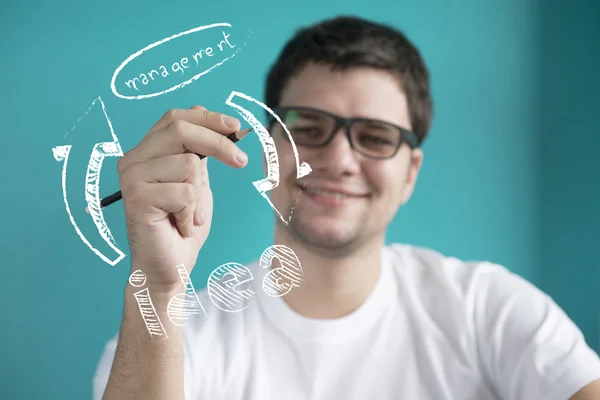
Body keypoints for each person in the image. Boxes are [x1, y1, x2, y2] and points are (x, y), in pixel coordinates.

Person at [93, 15, 600, 400]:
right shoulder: (171, 334)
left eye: (376, 137)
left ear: (410, 174)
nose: (338, 160)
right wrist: (159, 285)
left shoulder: (488, 311)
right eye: (309, 128)